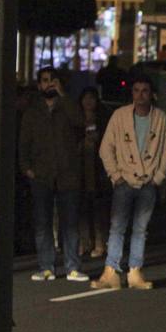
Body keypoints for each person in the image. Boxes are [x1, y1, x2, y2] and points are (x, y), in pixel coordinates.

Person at [93, 73, 166, 290]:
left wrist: (158, 178)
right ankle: (111, 271)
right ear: (131, 93)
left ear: (152, 94)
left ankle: (135, 270)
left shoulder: (160, 118)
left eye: (145, 91)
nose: (140, 95)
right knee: (117, 226)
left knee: (140, 228)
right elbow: (105, 147)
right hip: (124, 180)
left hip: (148, 182)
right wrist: (115, 175)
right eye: (136, 91)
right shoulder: (120, 116)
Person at [19, 67, 87, 282]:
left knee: (70, 222)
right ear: (38, 85)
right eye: (45, 80)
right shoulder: (32, 112)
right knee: (42, 222)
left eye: (52, 80)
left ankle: (72, 267)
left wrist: (64, 96)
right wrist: (26, 167)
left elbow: (80, 122)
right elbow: (23, 142)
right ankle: (46, 266)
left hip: (67, 174)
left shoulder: (67, 106)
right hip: (41, 174)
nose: (49, 84)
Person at [78, 88, 111, 259]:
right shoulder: (76, 119)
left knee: (99, 209)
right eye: (86, 98)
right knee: (82, 209)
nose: (89, 102)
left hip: (98, 168)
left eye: (92, 98)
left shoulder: (103, 120)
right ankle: (85, 242)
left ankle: (100, 242)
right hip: (81, 169)